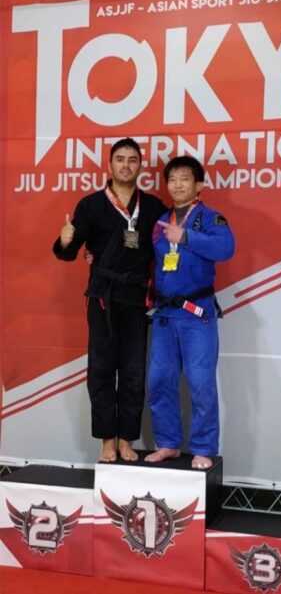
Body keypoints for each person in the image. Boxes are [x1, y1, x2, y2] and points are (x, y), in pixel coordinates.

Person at [52, 138, 166, 464]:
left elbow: (167, 250)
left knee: (133, 371)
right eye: (120, 159)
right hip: (102, 296)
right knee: (101, 370)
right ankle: (106, 441)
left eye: (132, 159)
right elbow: (69, 252)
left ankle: (127, 439)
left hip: (137, 298)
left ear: (140, 166)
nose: (126, 165)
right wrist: (64, 241)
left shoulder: (153, 206)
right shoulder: (91, 205)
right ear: (110, 164)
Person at [145, 155, 235, 471]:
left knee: (200, 382)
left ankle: (203, 448)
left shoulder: (211, 218)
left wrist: (185, 237)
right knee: (160, 381)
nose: (177, 185)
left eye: (185, 178)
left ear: (198, 185)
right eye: (172, 179)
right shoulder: (159, 222)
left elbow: (226, 248)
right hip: (165, 315)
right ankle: (168, 443)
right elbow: (148, 260)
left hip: (197, 313)